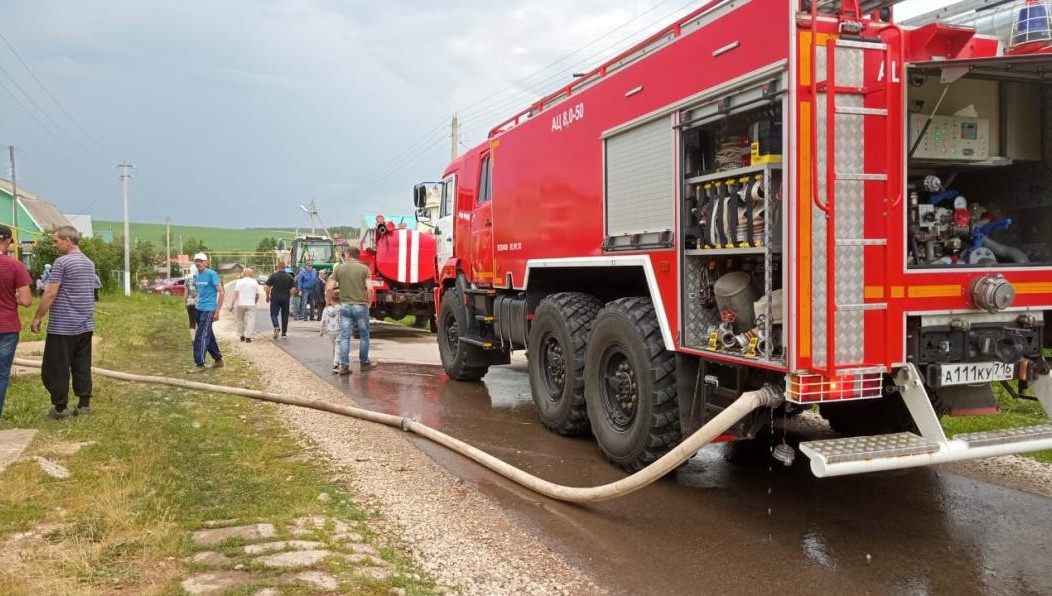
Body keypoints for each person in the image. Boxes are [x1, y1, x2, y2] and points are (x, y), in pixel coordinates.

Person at [30, 226, 96, 418]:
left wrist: (37, 316)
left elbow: (50, 292)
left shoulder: (62, 262)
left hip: (63, 326)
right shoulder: (89, 263)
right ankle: (84, 404)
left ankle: (60, 407)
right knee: (82, 365)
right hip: (85, 324)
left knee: (56, 367)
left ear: (68, 240)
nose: (54, 245)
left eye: (56, 241)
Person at [326, 246, 377, 375]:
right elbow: (370, 288)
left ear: (348, 254)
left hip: (345, 306)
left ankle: (344, 366)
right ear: (358, 255)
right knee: (364, 335)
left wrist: (329, 301)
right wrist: (369, 302)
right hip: (360, 306)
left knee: (345, 336)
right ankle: (364, 363)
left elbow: (329, 288)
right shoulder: (364, 268)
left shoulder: (339, 268)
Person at [0, 225, 33, 421]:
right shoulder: (15, 266)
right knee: (1, 374)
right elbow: (27, 301)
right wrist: (14, 299)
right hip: (7, 326)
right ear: (7, 241)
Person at [191, 252, 224, 369]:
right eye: (196, 261)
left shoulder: (212, 274)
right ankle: (218, 360)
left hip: (209, 309)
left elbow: (221, 292)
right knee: (208, 334)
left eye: (201, 261)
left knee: (201, 335)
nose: (198, 263)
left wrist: (217, 310)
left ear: (206, 262)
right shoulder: (196, 275)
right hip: (199, 309)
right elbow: (196, 292)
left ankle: (199, 363)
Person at [229, 267, 261, 342]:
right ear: (251, 274)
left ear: (244, 273)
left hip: (241, 304)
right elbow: (257, 295)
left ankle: (241, 335)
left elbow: (236, 294)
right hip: (251, 304)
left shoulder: (239, 281)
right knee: (251, 320)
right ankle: (248, 337)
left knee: (240, 320)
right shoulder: (254, 282)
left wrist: (232, 305)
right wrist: (255, 302)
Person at [265, 262, 295, 339]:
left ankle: (276, 326)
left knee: (274, 314)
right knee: (285, 315)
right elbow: (293, 290)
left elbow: (267, 287)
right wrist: (289, 296)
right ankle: (284, 333)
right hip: (285, 298)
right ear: (285, 267)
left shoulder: (273, 276)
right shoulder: (289, 277)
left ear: (277, 267)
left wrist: (267, 296)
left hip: (275, 298)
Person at [319, 289, 341, 372]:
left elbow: (323, 321)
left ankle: (336, 361)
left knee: (334, 346)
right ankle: (337, 363)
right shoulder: (341, 309)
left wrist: (321, 331)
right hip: (339, 330)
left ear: (331, 300)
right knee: (338, 345)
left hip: (330, 331)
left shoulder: (326, 310)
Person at [184, 268, 199, 343]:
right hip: (199, 303)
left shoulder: (188, 279)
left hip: (190, 303)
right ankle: (200, 338)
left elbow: (186, 292)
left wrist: (185, 303)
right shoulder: (200, 278)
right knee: (200, 321)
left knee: (192, 321)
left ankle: (193, 340)